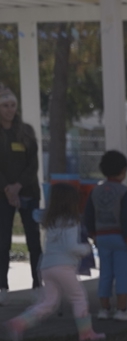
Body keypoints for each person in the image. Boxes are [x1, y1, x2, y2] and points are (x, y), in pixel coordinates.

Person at [4, 183, 103, 341]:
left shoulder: (50, 220)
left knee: (48, 303)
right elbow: (70, 247)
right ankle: (86, 334)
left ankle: (18, 323)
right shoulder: (71, 221)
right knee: (78, 297)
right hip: (63, 267)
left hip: (46, 266)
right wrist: (86, 248)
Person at [83, 150, 127, 321]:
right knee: (122, 274)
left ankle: (104, 309)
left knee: (105, 273)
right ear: (123, 171)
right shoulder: (125, 192)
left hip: (101, 237)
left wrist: (93, 234)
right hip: (120, 237)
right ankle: (122, 309)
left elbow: (88, 216)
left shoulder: (95, 191)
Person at [0, 85, 42, 304]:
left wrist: (17, 186)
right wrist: (7, 188)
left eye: (13, 105)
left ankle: (37, 283)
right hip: (3, 195)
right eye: (5, 105)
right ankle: (2, 286)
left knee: (33, 239)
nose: (9, 110)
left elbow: (33, 164)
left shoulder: (26, 131)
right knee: (3, 241)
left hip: (28, 192)